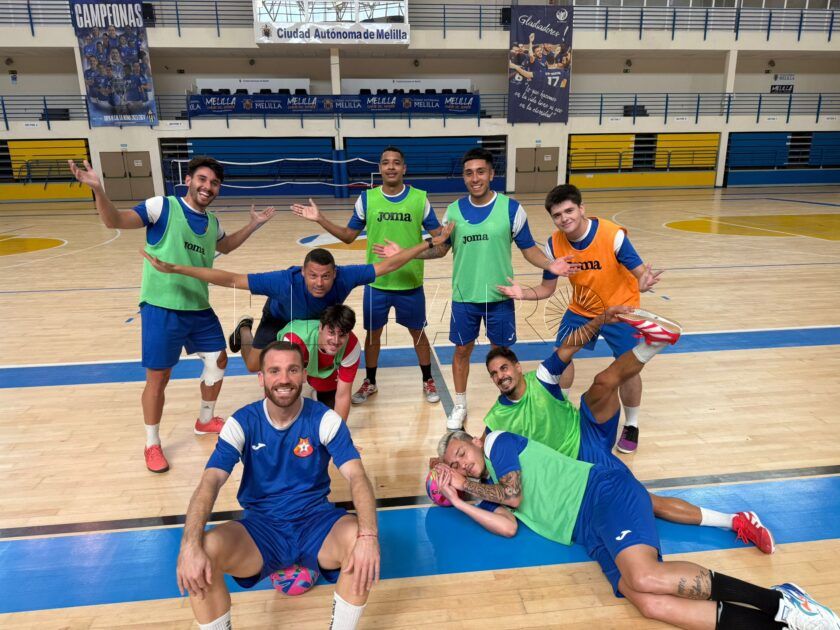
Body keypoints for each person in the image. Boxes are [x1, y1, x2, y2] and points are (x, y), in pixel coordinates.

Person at [435, 430, 840, 630]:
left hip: (602, 493)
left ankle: (780, 600)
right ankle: (779, 626)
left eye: (461, 454)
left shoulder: (498, 443)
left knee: (645, 576)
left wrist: (464, 484)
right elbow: (506, 526)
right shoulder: (485, 488)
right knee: (650, 604)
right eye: (454, 466)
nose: (462, 464)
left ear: (475, 441)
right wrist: (458, 499)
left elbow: (513, 496)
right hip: (588, 532)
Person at [479, 306, 775, 554]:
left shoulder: (541, 378)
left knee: (603, 382)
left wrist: (600, 320)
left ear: (517, 367)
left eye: (504, 368)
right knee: (647, 501)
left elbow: (570, 346)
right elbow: (479, 455)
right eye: (494, 374)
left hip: (587, 431)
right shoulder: (495, 419)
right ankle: (735, 520)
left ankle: (654, 343)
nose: (500, 376)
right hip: (577, 466)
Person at [69, 156, 275, 474]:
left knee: (218, 361)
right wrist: (98, 190)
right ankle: (152, 443)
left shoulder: (212, 222)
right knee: (159, 378)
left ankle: (205, 420)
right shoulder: (161, 207)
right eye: (202, 179)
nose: (208, 187)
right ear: (188, 180)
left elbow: (226, 246)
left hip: (198, 306)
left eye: (214, 183)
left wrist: (254, 224)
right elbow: (115, 221)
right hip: (161, 308)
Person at [176, 340, 379, 630]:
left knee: (360, 541)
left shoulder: (325, 419)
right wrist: (189, 545)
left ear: (304, 375)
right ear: (261, 378)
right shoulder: (242, 422)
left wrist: (369, 537)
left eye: (292, 370)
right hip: (262, 530)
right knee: (203, 551)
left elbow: (357, 476)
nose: (284, 379)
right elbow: (210, 481)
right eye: (274, 371)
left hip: (316, 524)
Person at [143, 222, 452, 375]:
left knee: (321, 355)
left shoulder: (346, 276)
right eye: (312, 275)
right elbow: (231, 279)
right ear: (303, 273)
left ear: (334, 274)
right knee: (253, 366)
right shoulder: (281, 281)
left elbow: (389, 265)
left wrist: (428, 243)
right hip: (279, 316)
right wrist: (178, 269)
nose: (319, 282)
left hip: (317, 320)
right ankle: (245, 330)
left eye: (326, 276)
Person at [418, 147, 579, 430]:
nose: (475, 178)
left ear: (491, 174)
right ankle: (460, 404)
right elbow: (441, 249)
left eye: (480, 171)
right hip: (464, 297)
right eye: (469, 173)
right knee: (461, 351)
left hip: (501, 297)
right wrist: (406, 254)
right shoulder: (453, 211)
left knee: (501, 354)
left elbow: (528, 249)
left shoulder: (511, 209)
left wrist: (550, 264)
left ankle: (510, 403)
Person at [498, 183, 663, 454]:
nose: (564, 218)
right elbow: (547, 289)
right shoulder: (554, 244)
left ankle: (632, 424)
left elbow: (640, 273)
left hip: (621, 309)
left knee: (628, 368)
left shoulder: (612, 235)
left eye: (569, 211)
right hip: (583, 308)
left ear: (581, 209)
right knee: (561, 354)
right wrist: (522, 293)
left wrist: (643, 282)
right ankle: (561, 409)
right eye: (557, 215)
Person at [291, 146, 445, 406]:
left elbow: (440, 243)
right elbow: (348, 236)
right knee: (372, 336)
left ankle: (428, 378)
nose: (391, 167)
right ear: (380, 168)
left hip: (410, 283)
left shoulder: (420, 199)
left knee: (418, 334)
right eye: (386, 162)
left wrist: (409, 253)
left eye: (396, 162)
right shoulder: (367, 199)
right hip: (377, 283)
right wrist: (320, 219)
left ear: (404, 168)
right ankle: (370, 381)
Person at [275, 305, 360, 422]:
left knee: (332, 415)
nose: (335, 341)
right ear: (320, 328)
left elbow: (343, 395)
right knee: (286, 407)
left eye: (342, 335)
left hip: (319, 368)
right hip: (294, 361)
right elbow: (279, 380)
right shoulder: (294, 341)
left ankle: (318, 388)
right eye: (331, 332)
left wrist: (339, 430)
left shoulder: (352, 346)